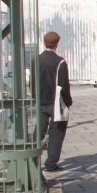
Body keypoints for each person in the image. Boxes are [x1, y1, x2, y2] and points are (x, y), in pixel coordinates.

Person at [38, 31, 72, 172]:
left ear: (44, 42)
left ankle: (32, 160)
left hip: (40, 101)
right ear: (57, 44)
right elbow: (64, 85)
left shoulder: (36, 60)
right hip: (56, 103)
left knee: (37, 133)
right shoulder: (60, 62)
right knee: (56, 134)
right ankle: (51, 164)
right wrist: (68, 102)